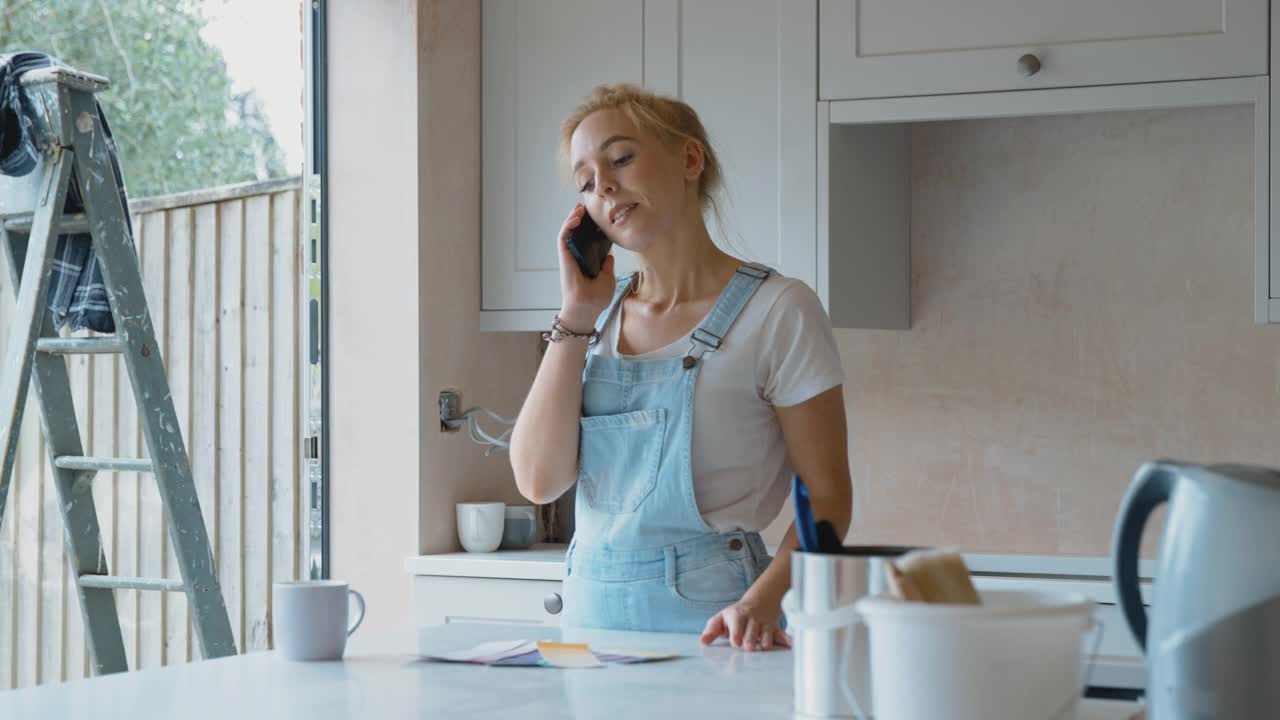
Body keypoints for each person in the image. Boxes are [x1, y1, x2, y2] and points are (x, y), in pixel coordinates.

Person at [509, 83, 852, 652]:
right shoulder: (590, 325)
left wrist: (763, 600)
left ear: (690, 159)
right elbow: (538, 482)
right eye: (586, 183)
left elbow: (830, 498)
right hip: (589, 632)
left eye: (621, 159)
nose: (606, 187)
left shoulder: (780, 310)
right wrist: (576, 316)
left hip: (721, 627)